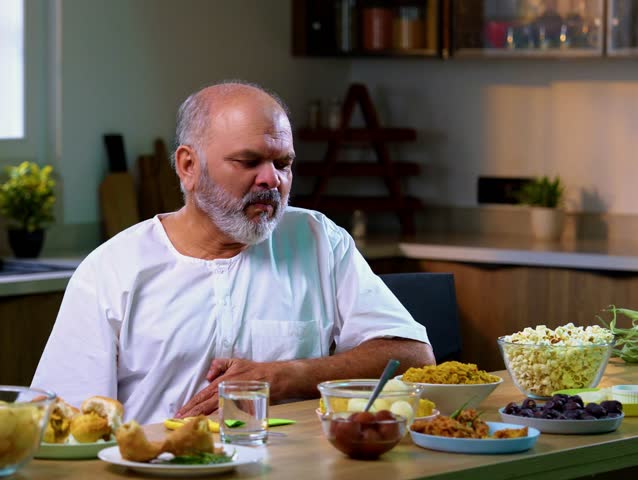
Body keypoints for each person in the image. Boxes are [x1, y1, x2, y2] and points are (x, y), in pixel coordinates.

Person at [31, 80, 435, 425]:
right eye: (249, 161)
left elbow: (414, 356)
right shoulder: (112, 269)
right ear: (188, 166)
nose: (271, 180)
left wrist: (287, 376)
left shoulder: (318, 238)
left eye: (284, 163)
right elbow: (62, 418)